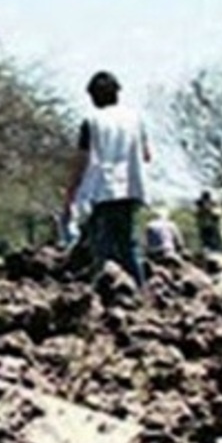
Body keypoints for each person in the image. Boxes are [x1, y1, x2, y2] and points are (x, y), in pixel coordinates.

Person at [64, 70, 153, 286]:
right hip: (131, 187)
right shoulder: (136, 119)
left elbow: (81, 161)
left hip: (103, 189)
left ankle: (112, 293)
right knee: (126, 243)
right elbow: (147, 155)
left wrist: (71, 193)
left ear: (93, 97)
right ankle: (137, 289)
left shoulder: (91, 121)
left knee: (104, 247)